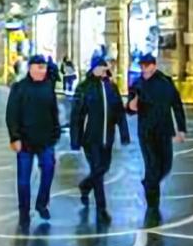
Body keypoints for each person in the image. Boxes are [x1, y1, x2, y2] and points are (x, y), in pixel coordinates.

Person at [71, 53, 131, 224]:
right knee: (98, 172)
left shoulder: (112, 87)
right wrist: (76, 141)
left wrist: (124, 134)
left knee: (103, 168)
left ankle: (85, 186)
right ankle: (102, 209)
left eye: (103, 67)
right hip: (90, 139)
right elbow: (77, 116)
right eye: (99, 67)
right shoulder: (84, 88)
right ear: (93, 69)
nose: (102, 70)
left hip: (108, 139)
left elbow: (119, 112)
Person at [126, 53, 187, 221]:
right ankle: (153, 205)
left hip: (164, 130)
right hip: (146, 132)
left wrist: (181, 129)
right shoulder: (137, 84)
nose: (144, 69)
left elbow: (176, 105)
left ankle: (149, 185)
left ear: (153, 65)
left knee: (165, 165)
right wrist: (133, 103)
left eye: (147, 65)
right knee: (152, 166)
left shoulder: (166, 82)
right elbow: (130, 109)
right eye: (142, 66)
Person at [6, 54, 61, 225]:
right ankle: (24, 211)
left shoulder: (48, 87)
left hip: (46, 141)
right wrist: (14, 137)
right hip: (24, 142)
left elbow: (54, 112)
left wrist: (56, 132)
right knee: (23, 179)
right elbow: (11, 114)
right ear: (30, 68)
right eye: (39, 67)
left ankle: (41, 204)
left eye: (44, 68)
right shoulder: (19, 88)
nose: (42, 71)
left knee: (49, 170)